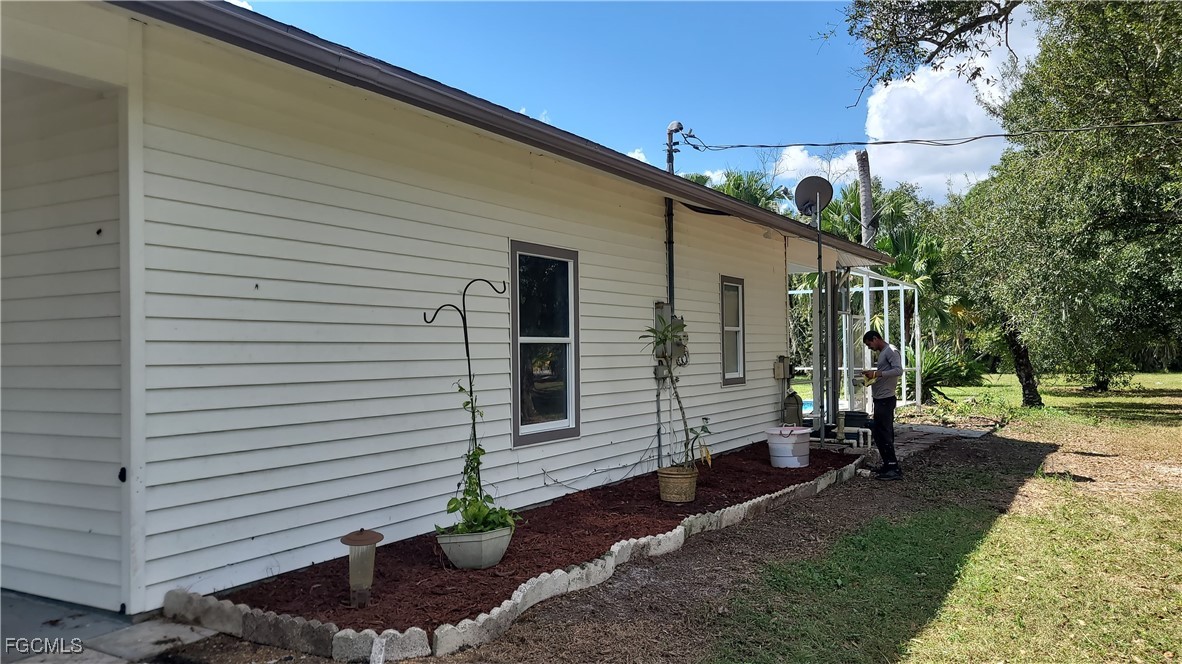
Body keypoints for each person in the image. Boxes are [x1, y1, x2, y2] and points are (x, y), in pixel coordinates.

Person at [862, 330, 904, 480]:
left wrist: (877, 374)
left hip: (886, 399)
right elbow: (885, 372)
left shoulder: (891, 351)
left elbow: (899, 370)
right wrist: (871, 376)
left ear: (875, 338)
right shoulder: (883, 353)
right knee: (879, 434)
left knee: (885, 433)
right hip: (880, 399)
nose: (869, 348)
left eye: (869, 344)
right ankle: (887, 465)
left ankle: (893, 468)